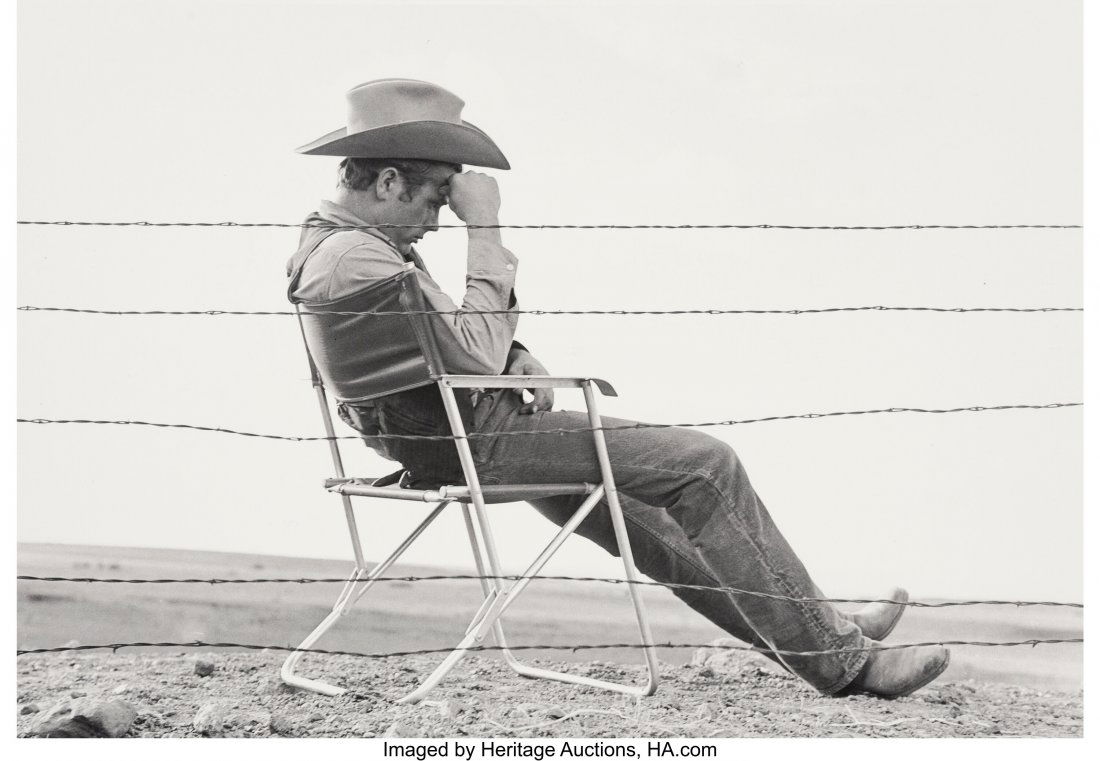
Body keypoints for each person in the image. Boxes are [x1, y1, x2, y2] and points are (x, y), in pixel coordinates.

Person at [287, 78, 950, 698]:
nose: (437, 220)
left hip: (452, 436)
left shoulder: (348, 246)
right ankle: (844, 662)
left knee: (653, 527)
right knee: (704, 465)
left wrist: (512, 352)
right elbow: (467, 348)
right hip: (475, 442)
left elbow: (434, 342)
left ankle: (825, 639)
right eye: (436, 200)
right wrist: (485, 229)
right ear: (391, 180)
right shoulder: (356, 257)